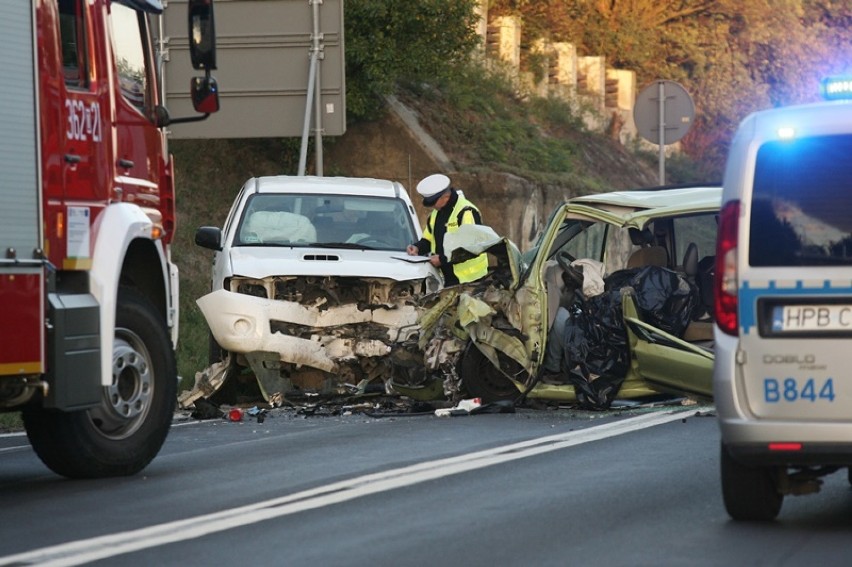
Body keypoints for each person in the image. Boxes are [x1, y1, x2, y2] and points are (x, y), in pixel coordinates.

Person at [406, 173, 488, 286]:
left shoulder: (466, 212)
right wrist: (417, 248)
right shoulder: (436, 214)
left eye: (433, 202)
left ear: (445, 196)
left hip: (470, 281)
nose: (432, 207)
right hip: (446, 279)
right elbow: (429, 240)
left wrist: (442, 259)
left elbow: (472, 248)